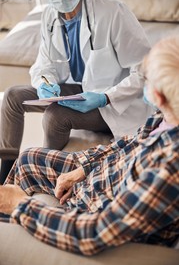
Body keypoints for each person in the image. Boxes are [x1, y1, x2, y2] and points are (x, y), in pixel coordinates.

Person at [0, 36, 179, 255]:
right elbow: (127, 143)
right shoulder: (165, 117)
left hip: (95, 212)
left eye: (147, 81)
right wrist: (83, 169)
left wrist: (19, 206)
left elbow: (93, 232)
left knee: (13, 202)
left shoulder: (170, 169)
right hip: (101, 177)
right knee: (28, 159)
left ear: (159, 96)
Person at [0, 0, 153, 183]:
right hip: (81, 89)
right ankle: (4, 179)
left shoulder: (113, 12)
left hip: (116, 103)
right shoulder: (50, 15)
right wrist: (44, 84)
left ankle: (45, 178)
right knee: (12, 96)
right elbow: (44, 64)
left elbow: (145, 69)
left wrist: (106, 97)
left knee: (55, 116)